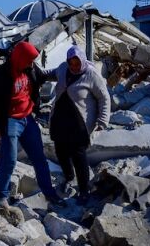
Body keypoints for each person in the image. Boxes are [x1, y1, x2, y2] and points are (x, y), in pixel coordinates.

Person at [0, 41, 64, 211]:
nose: (31, 63)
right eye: (29, 60)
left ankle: (50, 194)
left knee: (39, 159)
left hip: (28, 118)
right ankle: (1, 197)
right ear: (20, 58)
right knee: (9, 160)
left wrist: (67, 72)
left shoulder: (31, 69)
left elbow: (43, 76)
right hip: (10, 120)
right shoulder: (0, 74)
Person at [49, 45, 110, 203]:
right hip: (61, 118)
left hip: (79, 122)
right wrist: (36, 74)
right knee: (61, 151)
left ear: (82, 60)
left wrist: (102, 120)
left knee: (78, 155)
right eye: (71, 63)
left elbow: (104, 97)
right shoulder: (63, 68)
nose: (74, 66)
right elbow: (51, 73)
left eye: (77, 63)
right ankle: (69, 177)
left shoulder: (91, 74)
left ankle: (84, 189)